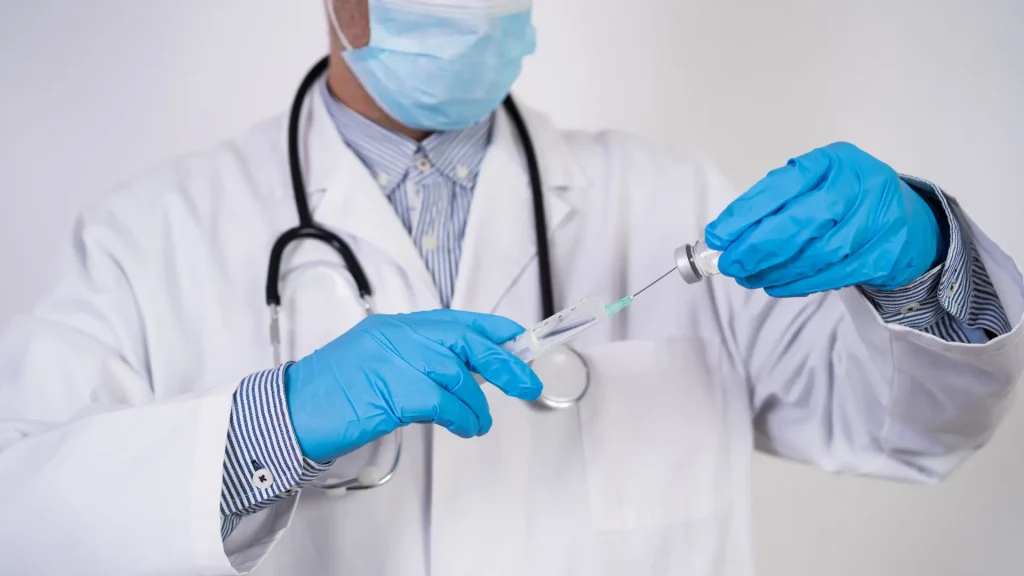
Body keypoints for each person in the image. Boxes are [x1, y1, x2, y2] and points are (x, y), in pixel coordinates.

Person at [0, 0, 1021, 574]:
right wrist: (268, 428)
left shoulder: (669, 198)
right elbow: (26, 520)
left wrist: (923, 256)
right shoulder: (151, 234)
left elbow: (910, 431)